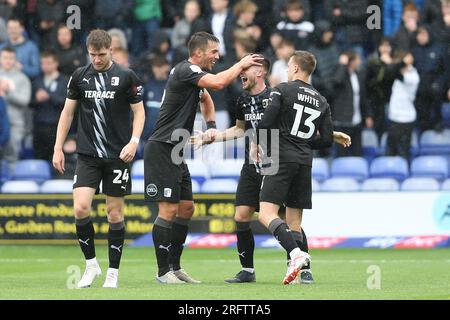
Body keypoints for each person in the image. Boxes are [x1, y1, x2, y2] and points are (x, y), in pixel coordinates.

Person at [191, 54, 350, 284]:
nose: (241, 73)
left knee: (280, 217)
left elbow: (287, 125)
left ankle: (301, 267)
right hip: (257, 164)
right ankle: (248, 270)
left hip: (276, 160)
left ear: (260, 72)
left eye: (246, 68)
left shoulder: (278, 93)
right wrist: (213, 137)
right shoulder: (243, 100)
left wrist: (331, 135)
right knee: (242, 215)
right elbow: (240, 129)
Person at [143, 31, 263, 284]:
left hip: (176, 150)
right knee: (167, 210)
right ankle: (162, 272)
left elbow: (206, 98)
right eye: (213, 52)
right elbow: (219, 83)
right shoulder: (185, 70)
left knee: (186, 208)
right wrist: (240, 64)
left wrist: (210, 124)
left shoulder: (193, 80)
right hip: (162, 147)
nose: (217, 57)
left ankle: (175, 267)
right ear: (198, 53)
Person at [52, 29, 145, 289]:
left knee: (114, 213)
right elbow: (67, 113)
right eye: (92, 55)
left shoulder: (126, 76)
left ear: (111, 50)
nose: (97, 59)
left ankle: (113, 271)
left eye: (101, 54)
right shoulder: (80, 76)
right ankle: (91, 264)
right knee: (81, 207)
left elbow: (139, 113)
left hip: (118, 155)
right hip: (88, 154)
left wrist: (134, 142)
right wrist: (58, 147)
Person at [255, 50, 334, 284]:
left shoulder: (282, 90)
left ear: (297, 68)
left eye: (289, 66)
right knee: (294, 222)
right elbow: (328, 140)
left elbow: (265, 123)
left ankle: (296, 254)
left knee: (266, 214)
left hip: (281, 157)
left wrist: (260, 143)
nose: (287, 70)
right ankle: (306, 272)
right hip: (304, 161)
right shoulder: (321, 100)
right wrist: (306, 142)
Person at [30, 51, 67, 162]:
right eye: (43, 63)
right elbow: (30, 103)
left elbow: (68, 103)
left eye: (48, 63)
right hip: (39, 125)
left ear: (56, 64)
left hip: (57, 126)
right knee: (39, 156)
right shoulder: (37, 81)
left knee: (57, 157)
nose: (45, 66)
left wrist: (50, 97)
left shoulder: (64, 80)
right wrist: (37, 100)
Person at [0, 46, 31, 168]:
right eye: (5, 58)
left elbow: (25, 100)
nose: (8, 61)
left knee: (12, 154)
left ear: (15, 60)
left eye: (11, 58)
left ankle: (11, 185)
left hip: (14, 123)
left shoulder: (22, 78)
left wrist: (8, 92)